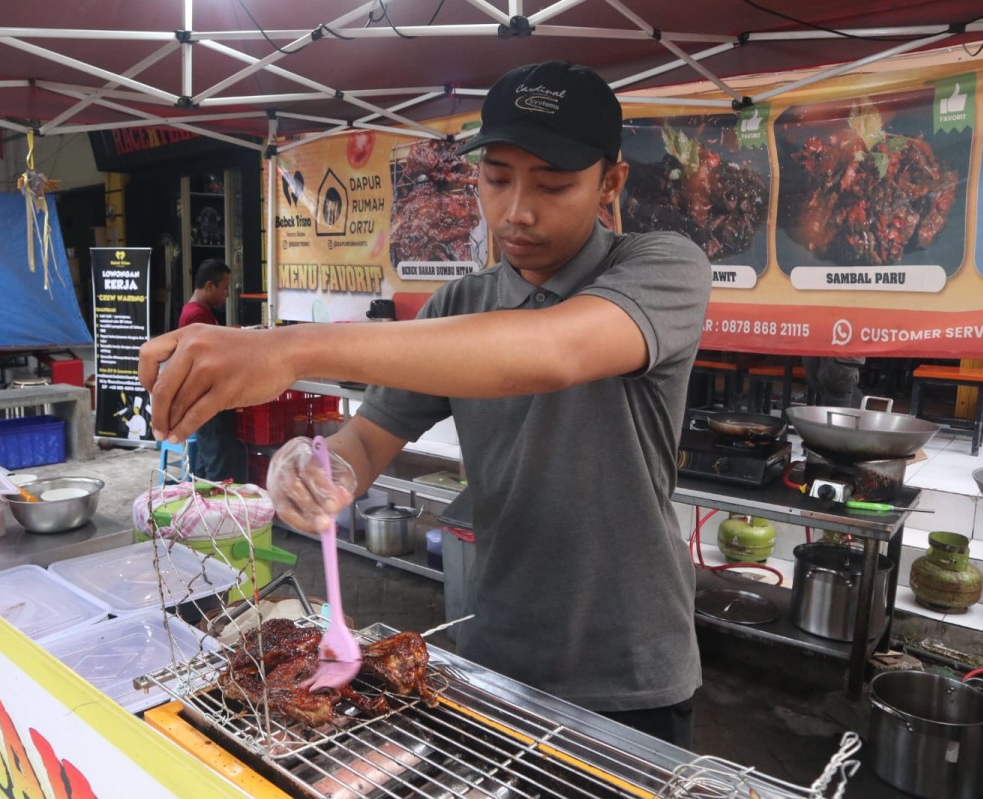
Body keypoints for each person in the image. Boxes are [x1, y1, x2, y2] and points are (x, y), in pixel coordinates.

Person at [139, 61, 711, 748]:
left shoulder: (662, 267)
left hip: (631, 667)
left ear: (610, 182)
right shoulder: (458, 306)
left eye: (553, 185)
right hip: (494, 656)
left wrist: (288, 348)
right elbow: (370, 439)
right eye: (496, 178)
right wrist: (321, 468)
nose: (516, 211)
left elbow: (546, 352)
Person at [177, 259, 248, 482]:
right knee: (216, 465)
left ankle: (201, 505)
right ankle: (214, 511)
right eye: (225, 288)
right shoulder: (195, 315)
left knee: (207, 462)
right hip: (207, 398)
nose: (227, 294)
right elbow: (208, 355)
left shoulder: (201, 313)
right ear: (209, 286)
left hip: (206, 398)